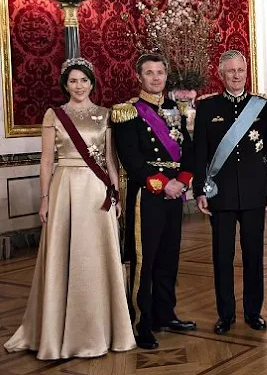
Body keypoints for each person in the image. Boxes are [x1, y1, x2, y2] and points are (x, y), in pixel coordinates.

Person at [4, 58, 136, 359]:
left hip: (95, 191)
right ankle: (58, 332)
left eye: (84, 80)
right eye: (73, 81)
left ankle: (101, 330)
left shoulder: (105, 115)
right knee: (63, 255)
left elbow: (110, 162)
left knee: (96, 256)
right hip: (64, 189)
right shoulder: (55, 115)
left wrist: (115, 196)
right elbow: (47, 161)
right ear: (65, 84)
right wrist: (45, 198)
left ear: (92, 83)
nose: (79, 86)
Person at [112, 53, 196, 350]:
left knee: (168, 258)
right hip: (147, 196)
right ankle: (140, 322)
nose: (156, 78)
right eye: (150, 73)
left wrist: (183, 182)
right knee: (144, 260)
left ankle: (164, 314)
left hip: (174, 194)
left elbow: (189, 151)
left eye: (160, 72)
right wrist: (165, 185)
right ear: (140, 77)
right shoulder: (128, 112)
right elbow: (131, 160)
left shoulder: (176, 109)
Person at [193, 50, 267, 335]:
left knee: (254, 255)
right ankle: (225, 314)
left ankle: (253, 312)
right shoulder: (207, 107)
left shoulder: (262, 106)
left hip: (254, 193)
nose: (237, 75)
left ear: (246, 71)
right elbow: (200, 153)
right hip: (221, 194)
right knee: (222, 256)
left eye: (240, 70)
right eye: (231, 71)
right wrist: (200, 190)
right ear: (221, 74)